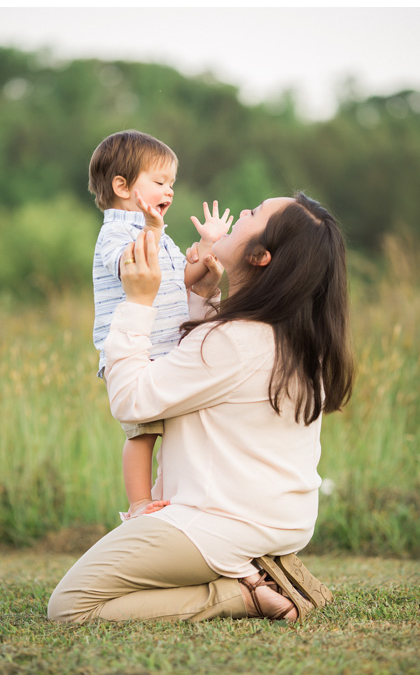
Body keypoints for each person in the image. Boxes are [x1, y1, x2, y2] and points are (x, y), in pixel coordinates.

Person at [49, 193, 353, 624]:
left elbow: (132, 399)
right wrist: (204, 299)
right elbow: (212, 373)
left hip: (220, 524)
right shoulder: (292, 340)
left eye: (252, 214)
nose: (242, 213)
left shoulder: (234, 339)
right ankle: (251, 568)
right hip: (280, 519)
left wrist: (136, 302)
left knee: (72, 605)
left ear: (261, 255)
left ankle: (242, 593)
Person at [88, 130, 230, 520]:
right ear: (122, 185)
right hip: (134, 351)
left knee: (181, 429)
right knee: (143, 430)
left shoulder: (158, 233)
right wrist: (153, 231)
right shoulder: (115, 233)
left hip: (167, 348)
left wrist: (205, 253)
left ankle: (178, 497)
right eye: (159, 181)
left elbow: (174, 280)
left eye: (172, 184)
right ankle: (137, 504)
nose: (169, 191)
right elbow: (135, 269)